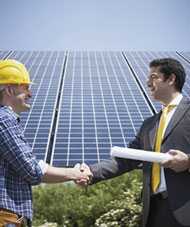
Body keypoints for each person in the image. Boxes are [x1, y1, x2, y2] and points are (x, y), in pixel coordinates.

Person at [77, 58, 190, 227]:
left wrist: (188, 162)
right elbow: (126, 159)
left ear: (171, 79)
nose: (147, 82)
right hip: (154, 211)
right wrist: (91, 172)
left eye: (153, 77)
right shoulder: (149, 125)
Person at [0, 59, 91, 227]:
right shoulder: (4, 119)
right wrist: (75, 173)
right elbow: (32, 170)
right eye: (25, 87)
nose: (30, 94)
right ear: (9, 90)